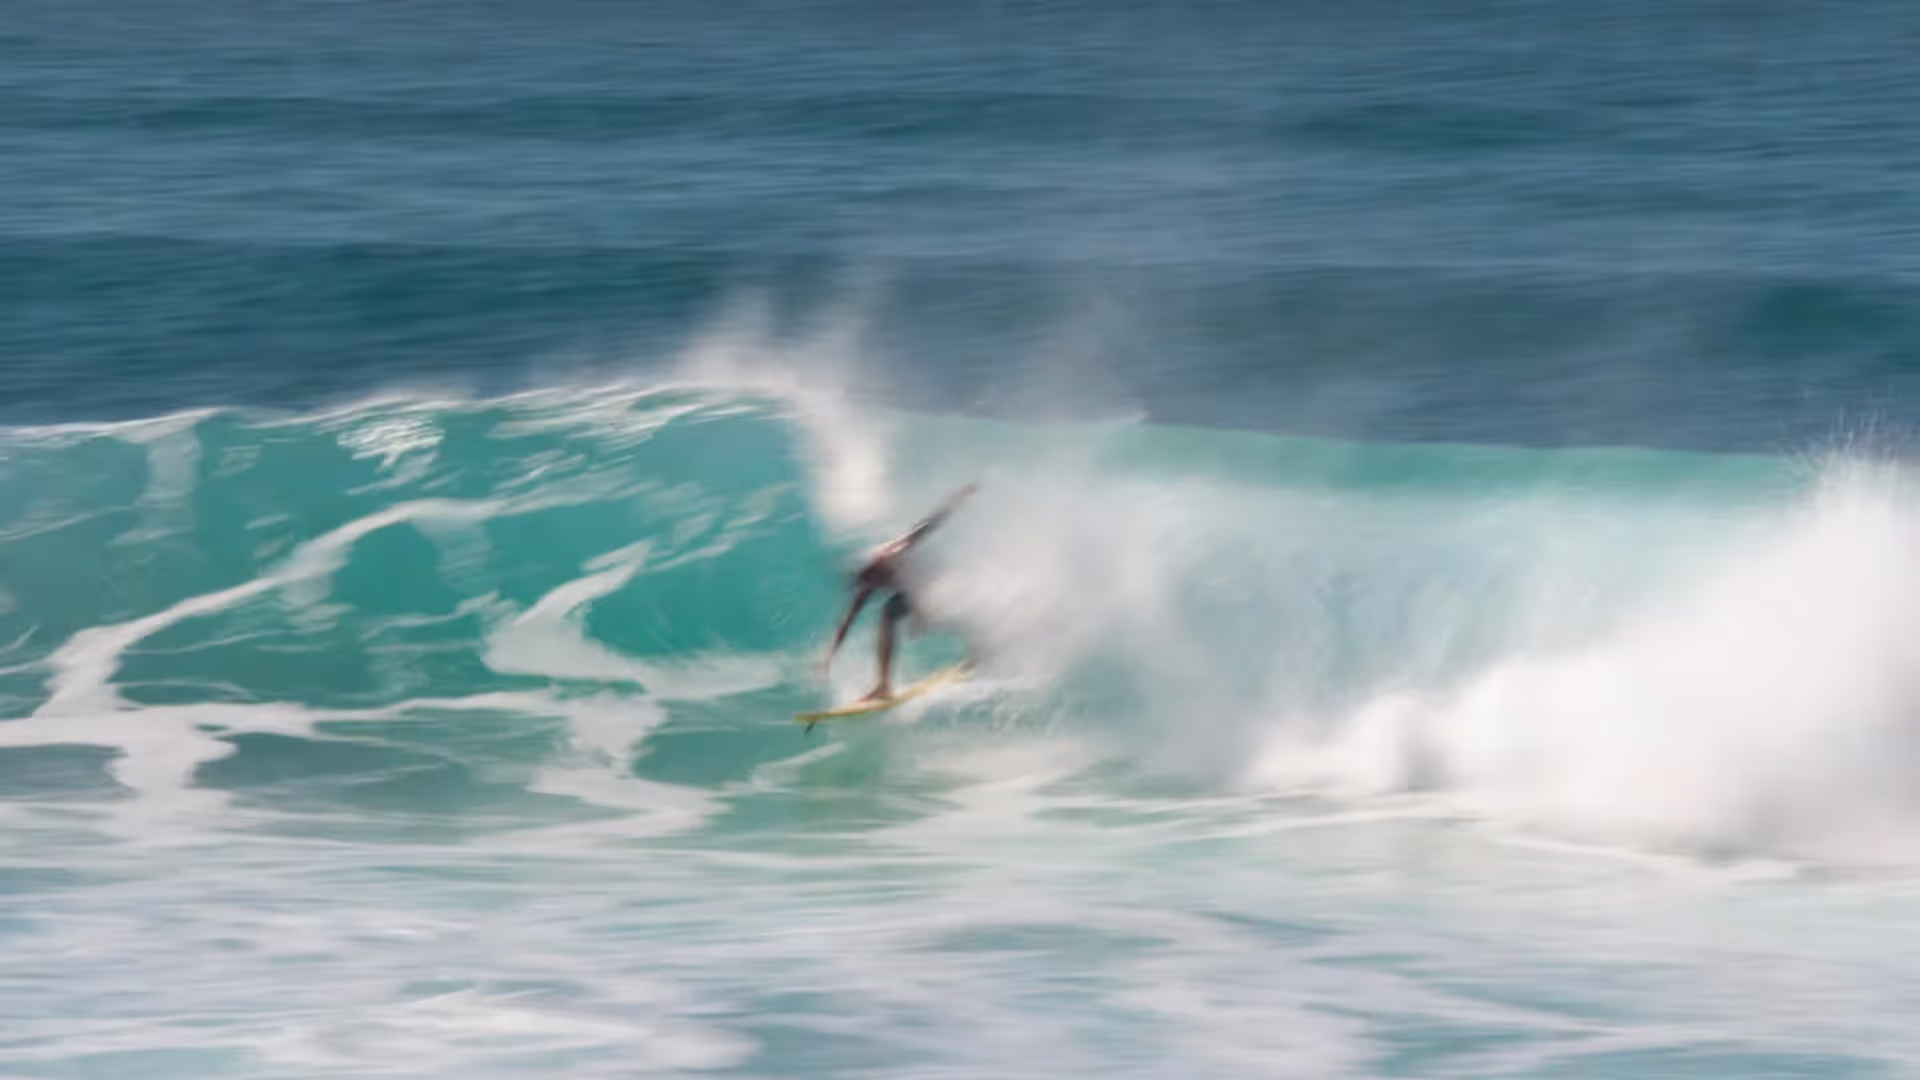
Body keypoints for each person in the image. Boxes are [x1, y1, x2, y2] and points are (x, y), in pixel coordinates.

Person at [821, 484, 977, 702]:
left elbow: (927, 525)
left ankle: (979, 646)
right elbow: (848, 619)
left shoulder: (894, 553)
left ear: (876, 566)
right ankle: (883, 686)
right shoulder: (868, 581)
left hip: (935, 579)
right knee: (889, 615)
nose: (871, 586)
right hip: (916, 590)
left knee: (935, 614)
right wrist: (829, 655)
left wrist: (955, 499)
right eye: (866, 582)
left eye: (872, 578)